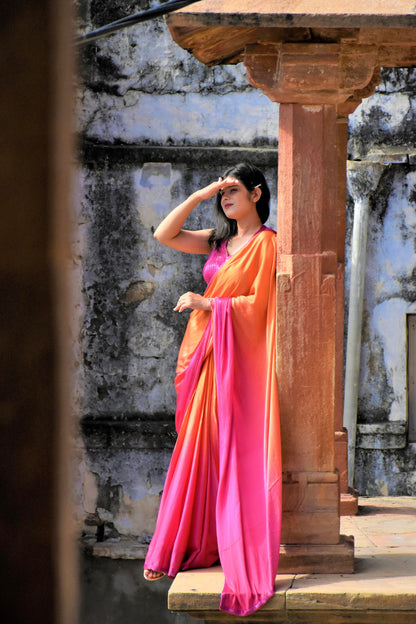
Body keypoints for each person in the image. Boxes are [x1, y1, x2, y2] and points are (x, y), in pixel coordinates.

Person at [143, 162, 282, 617]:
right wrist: (202, 194)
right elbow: (164, 234)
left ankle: (220, 541)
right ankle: (184, 544)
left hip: (236, 359)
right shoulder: (219, 240)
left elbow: (258, 305)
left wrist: (210, 303)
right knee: (195, 445)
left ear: (257, 194)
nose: (227, 197)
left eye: (233, 190)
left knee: (224, 449)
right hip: (203, 354)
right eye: (223, 191)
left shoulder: (267, 244)